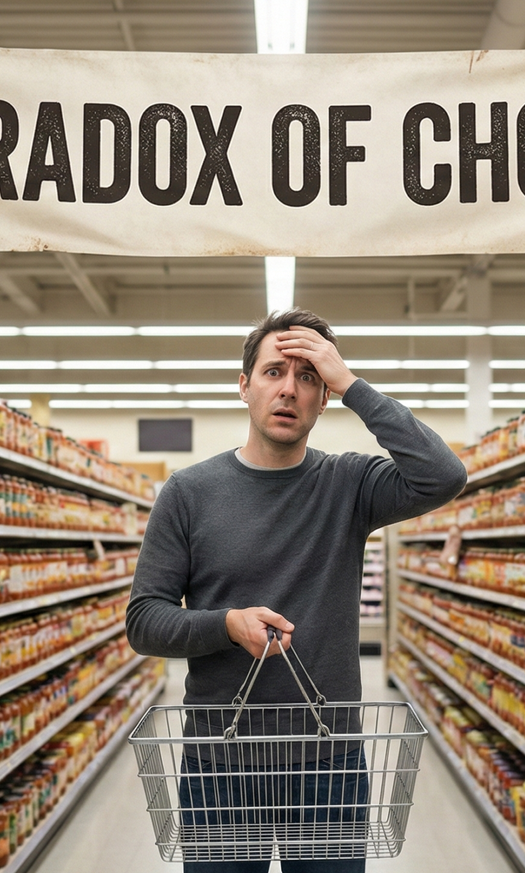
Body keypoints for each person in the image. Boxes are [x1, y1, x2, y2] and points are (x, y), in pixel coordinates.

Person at [126, 308, 466, 872]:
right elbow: (144, 621)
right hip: (220, 766)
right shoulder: (188, 493)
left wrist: (353, 384)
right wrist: (226, 625)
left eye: (308, 377)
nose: (289, 390)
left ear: (324, 396)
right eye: (272, 372)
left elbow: (442, 475)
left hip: (328, 763)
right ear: (243, 386)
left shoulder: (350, 484)